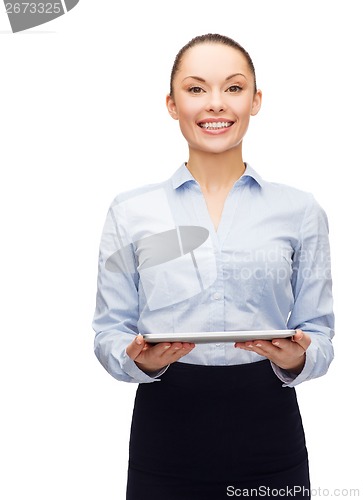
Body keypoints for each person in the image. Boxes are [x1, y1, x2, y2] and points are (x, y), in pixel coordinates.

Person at [93, 33, 334, 500]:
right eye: (196, 88)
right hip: (165, 433)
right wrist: (134, 358)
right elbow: (108, 330)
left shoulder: (300, 211)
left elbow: (320, 332)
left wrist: (299, 357)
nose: (216, 105)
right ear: (171, 102)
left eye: (234, 87)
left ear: (256, 100)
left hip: (270, 432)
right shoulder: (130, 212)